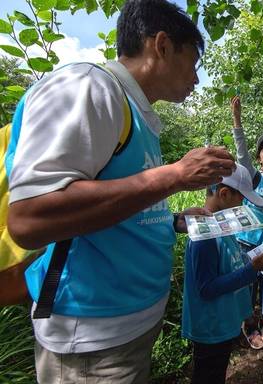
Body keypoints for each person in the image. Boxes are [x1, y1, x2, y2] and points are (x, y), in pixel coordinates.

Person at [6, 0, 235, 382]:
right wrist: (175, 175)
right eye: (192, 63)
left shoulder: (137, 112)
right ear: (161, 45)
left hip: (126, 328)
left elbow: (122, 204)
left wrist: (174, 219)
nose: (196, 78)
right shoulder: (89, 87)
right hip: (91, 340)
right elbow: (30, 217)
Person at [181, 163, 263, 384]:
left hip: (222, 322)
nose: (243, 204)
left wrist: (251, 262)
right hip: (210, 328)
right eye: (241, 198)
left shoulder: (221, 226)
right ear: (224, 193)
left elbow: (228, 264)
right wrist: (251, 271)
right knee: (208, 375)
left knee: (216, 373)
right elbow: (207, 288)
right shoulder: (205, 236)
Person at [230, 96, 263, 349]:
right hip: (247, 241)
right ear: (260, 158)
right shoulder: (252, 179)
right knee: (248, 282)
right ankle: (249, 325)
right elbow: (241, 152)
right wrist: (237, 120)